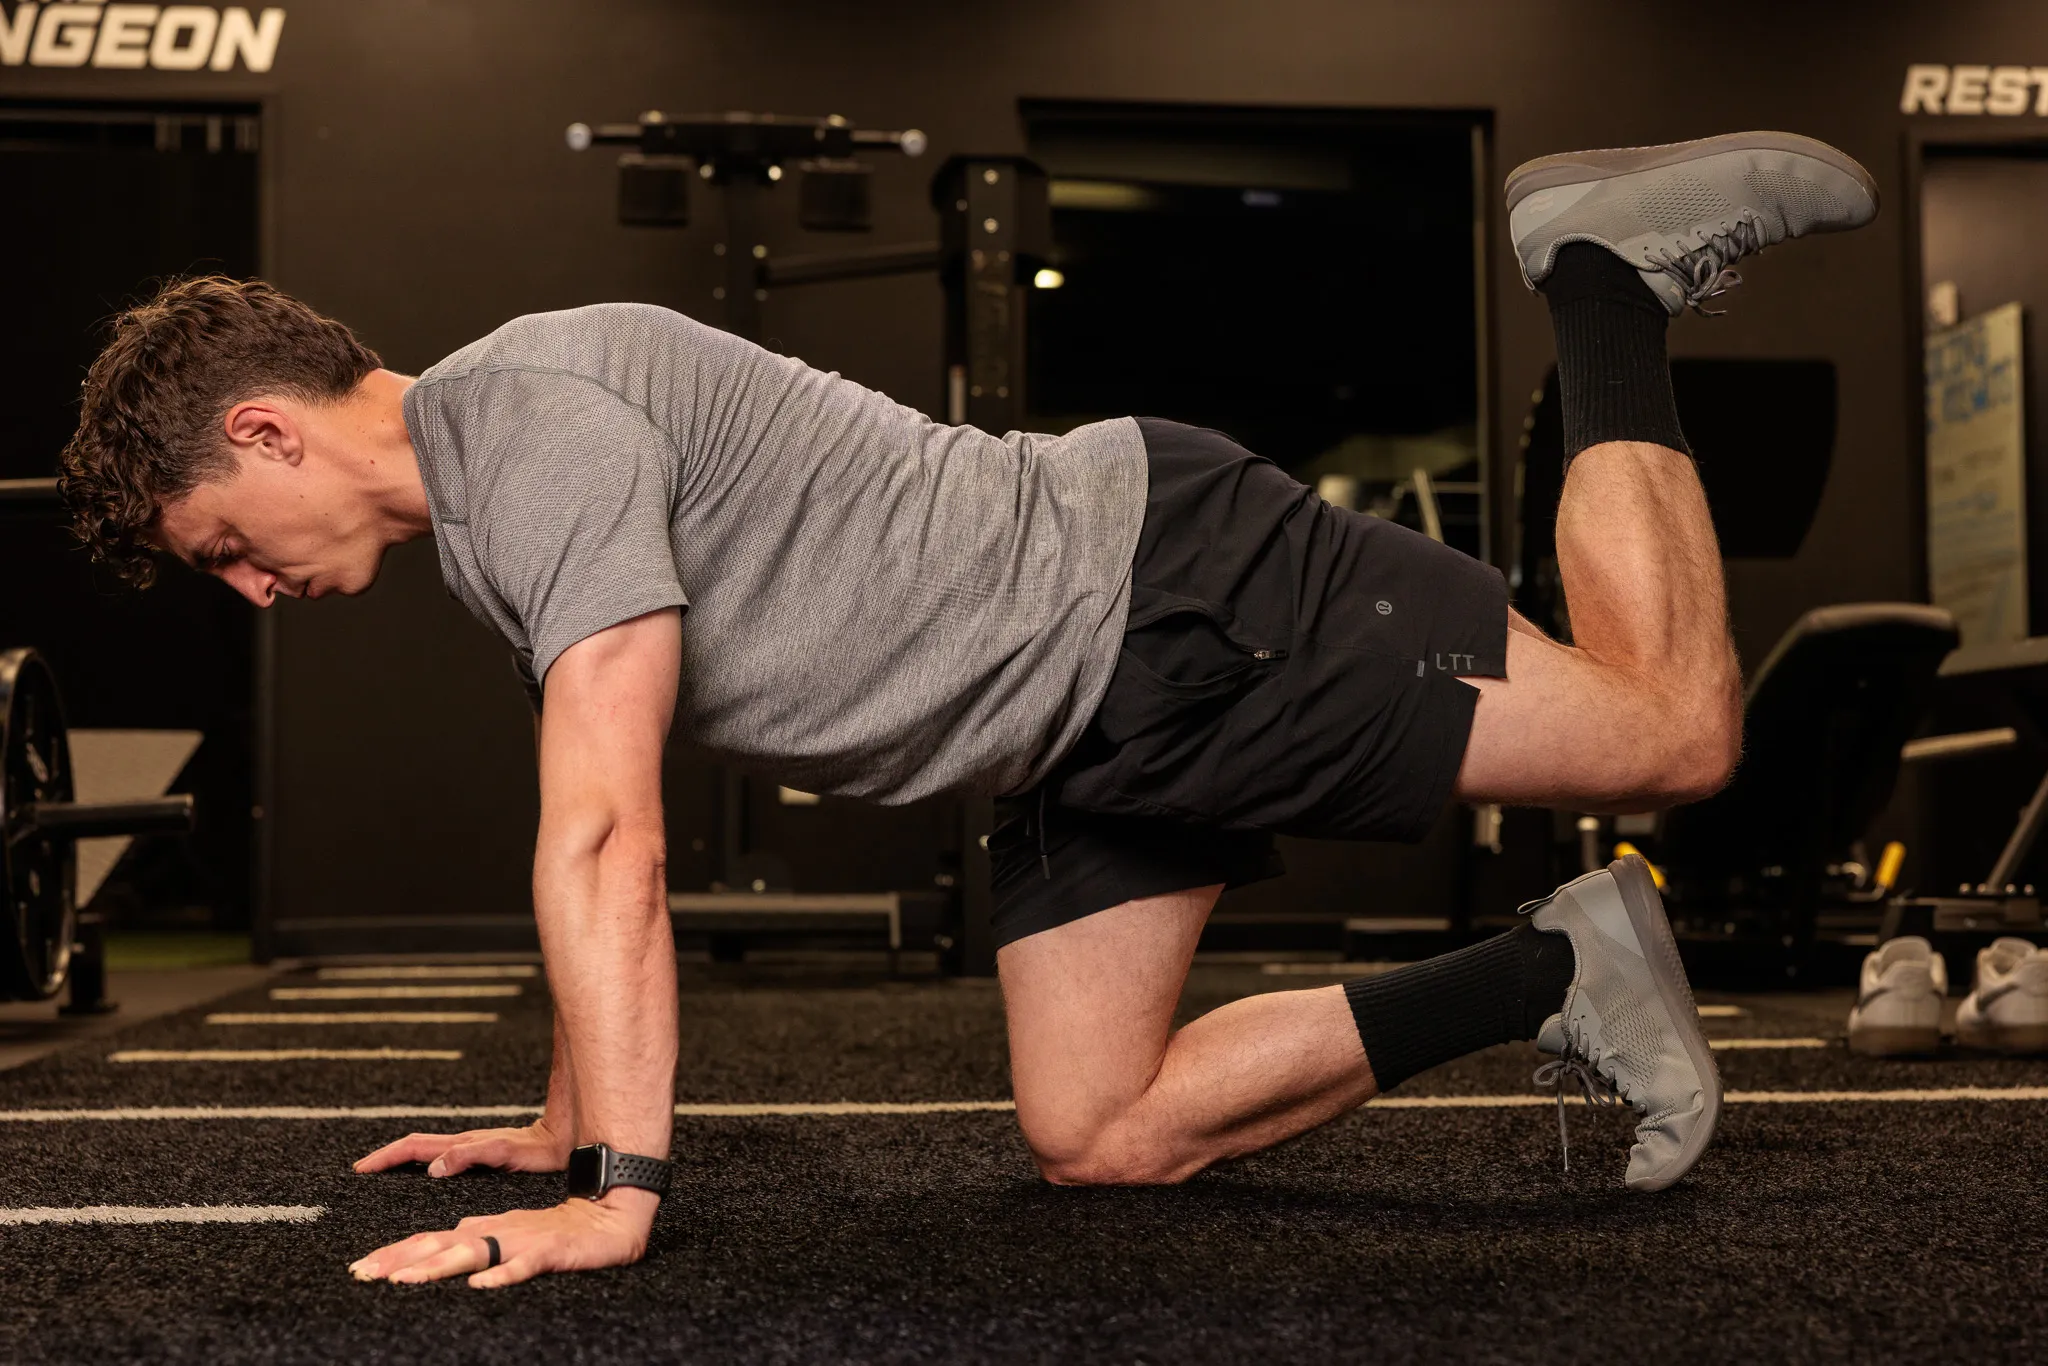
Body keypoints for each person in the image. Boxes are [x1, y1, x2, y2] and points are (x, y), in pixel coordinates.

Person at [59, 131, 1878, 1288]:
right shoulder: (491, 497)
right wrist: (555, 1115)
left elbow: (607, 829)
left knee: (1676, 733)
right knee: (1101, 1133)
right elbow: (590, 823)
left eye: (228, 544)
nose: (253, 590)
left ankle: (1600, 285)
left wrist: (615, 1187)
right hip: (1076, 721)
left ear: (268, 432)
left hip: (1169, 591)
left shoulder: (527, 426)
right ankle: (1566, 968)